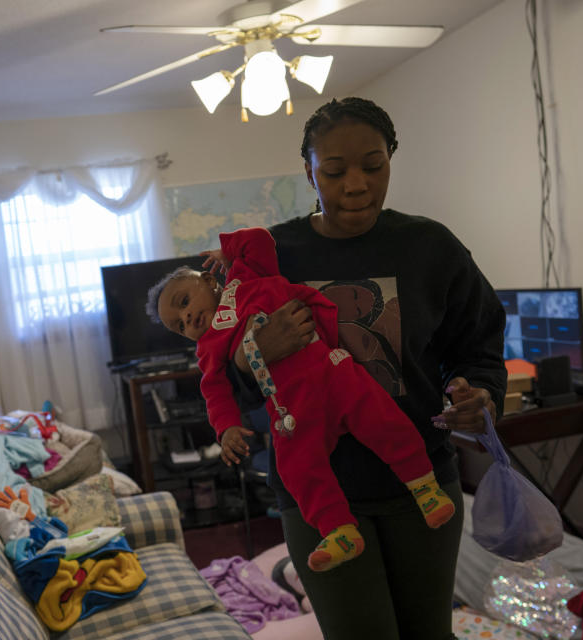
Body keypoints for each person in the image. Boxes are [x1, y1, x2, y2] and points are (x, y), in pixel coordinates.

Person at [218, 97, 506, 640]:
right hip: (319, 495)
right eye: (334, 170)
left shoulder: (430, 247)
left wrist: (480, 391)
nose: (356, 185)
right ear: (308, 171)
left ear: (391, 159)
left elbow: (479, 343)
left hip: (421, 483)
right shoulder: (268, 255)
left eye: (374, 166)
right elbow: (221, 370)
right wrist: (254, 352)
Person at [145, 225, 456, 573]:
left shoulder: (243, 278)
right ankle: (339, 530)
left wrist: (228, 251)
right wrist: (227, 428)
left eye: (184, 302)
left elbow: (259, 240)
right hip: (289, 408)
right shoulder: (209, 347)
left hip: (334, 374)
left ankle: (425, 487)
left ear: (208, 279)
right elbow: (214, 391)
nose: (187, 318)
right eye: (179, 326)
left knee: (384, 421)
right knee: (295, 467)